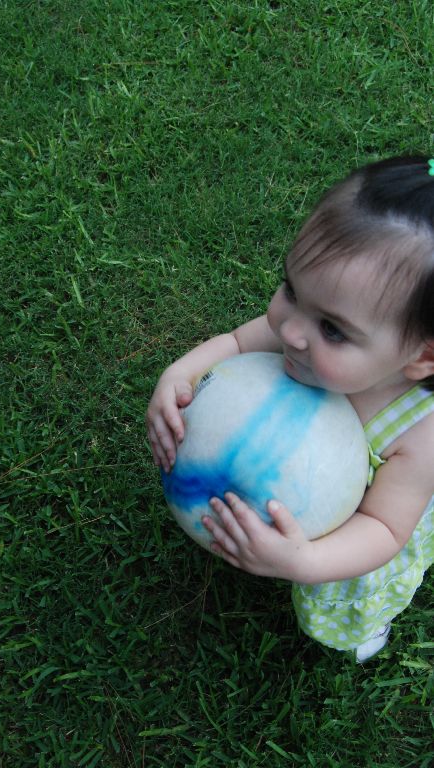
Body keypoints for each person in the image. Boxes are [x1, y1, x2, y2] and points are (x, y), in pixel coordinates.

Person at [146, 155, 434, 661]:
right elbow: (236, 343)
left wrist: (305, 560)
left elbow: (384, 528)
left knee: (349, 587)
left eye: (333, 329)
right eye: (292, 290)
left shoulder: (421, 434)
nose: (289, 330)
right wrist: (177, 376)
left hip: (357, 531)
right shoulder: (300, 339)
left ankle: (364, 628)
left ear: (422, 357)